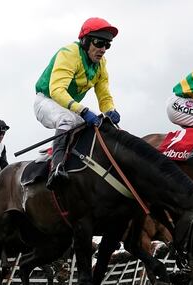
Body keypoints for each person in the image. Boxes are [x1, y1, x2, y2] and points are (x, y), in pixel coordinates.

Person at [34, 17, 121, 190]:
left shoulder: (101, 64)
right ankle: (56, 168)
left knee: (105, 126)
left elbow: (104, 96)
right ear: (85, 41)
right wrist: (82, 111)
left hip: (68, 106)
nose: (103, 49)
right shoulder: (69, 53)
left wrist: (111, 111)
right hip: (46, 100)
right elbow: (57, 90)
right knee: (67, 119)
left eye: (107, 45)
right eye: (99, 43)